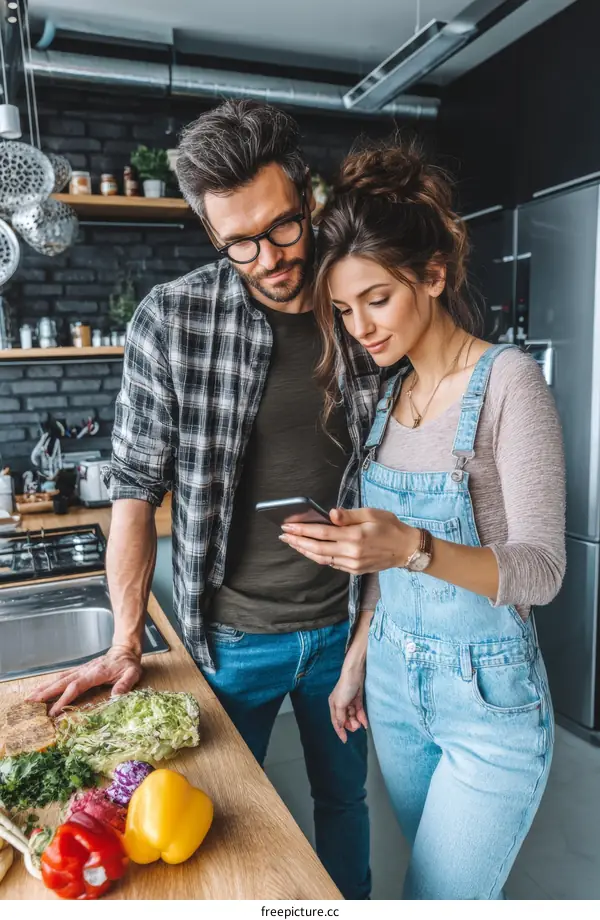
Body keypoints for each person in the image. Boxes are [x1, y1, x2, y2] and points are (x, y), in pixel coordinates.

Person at [30, 100, 378, 900]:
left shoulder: (364, 300)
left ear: (308, 195)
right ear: (212, 235)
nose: (271, 257)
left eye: (284, 227)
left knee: (344, 800)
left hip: (347, 627)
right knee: (215, 829)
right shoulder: (174, 319)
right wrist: (124, 640)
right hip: (231, 638)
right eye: (241, 243)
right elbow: (134, 490)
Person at [279, 140, 566, 900]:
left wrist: (411, 545)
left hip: (488, 704)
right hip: (396, 691)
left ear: (433, 275)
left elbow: (541, 568)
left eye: (377, 298)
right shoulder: (387, 396)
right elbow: (386, 571)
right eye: (344, 309)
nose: (360, 326)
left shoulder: (508, 381)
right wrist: (356, 661)